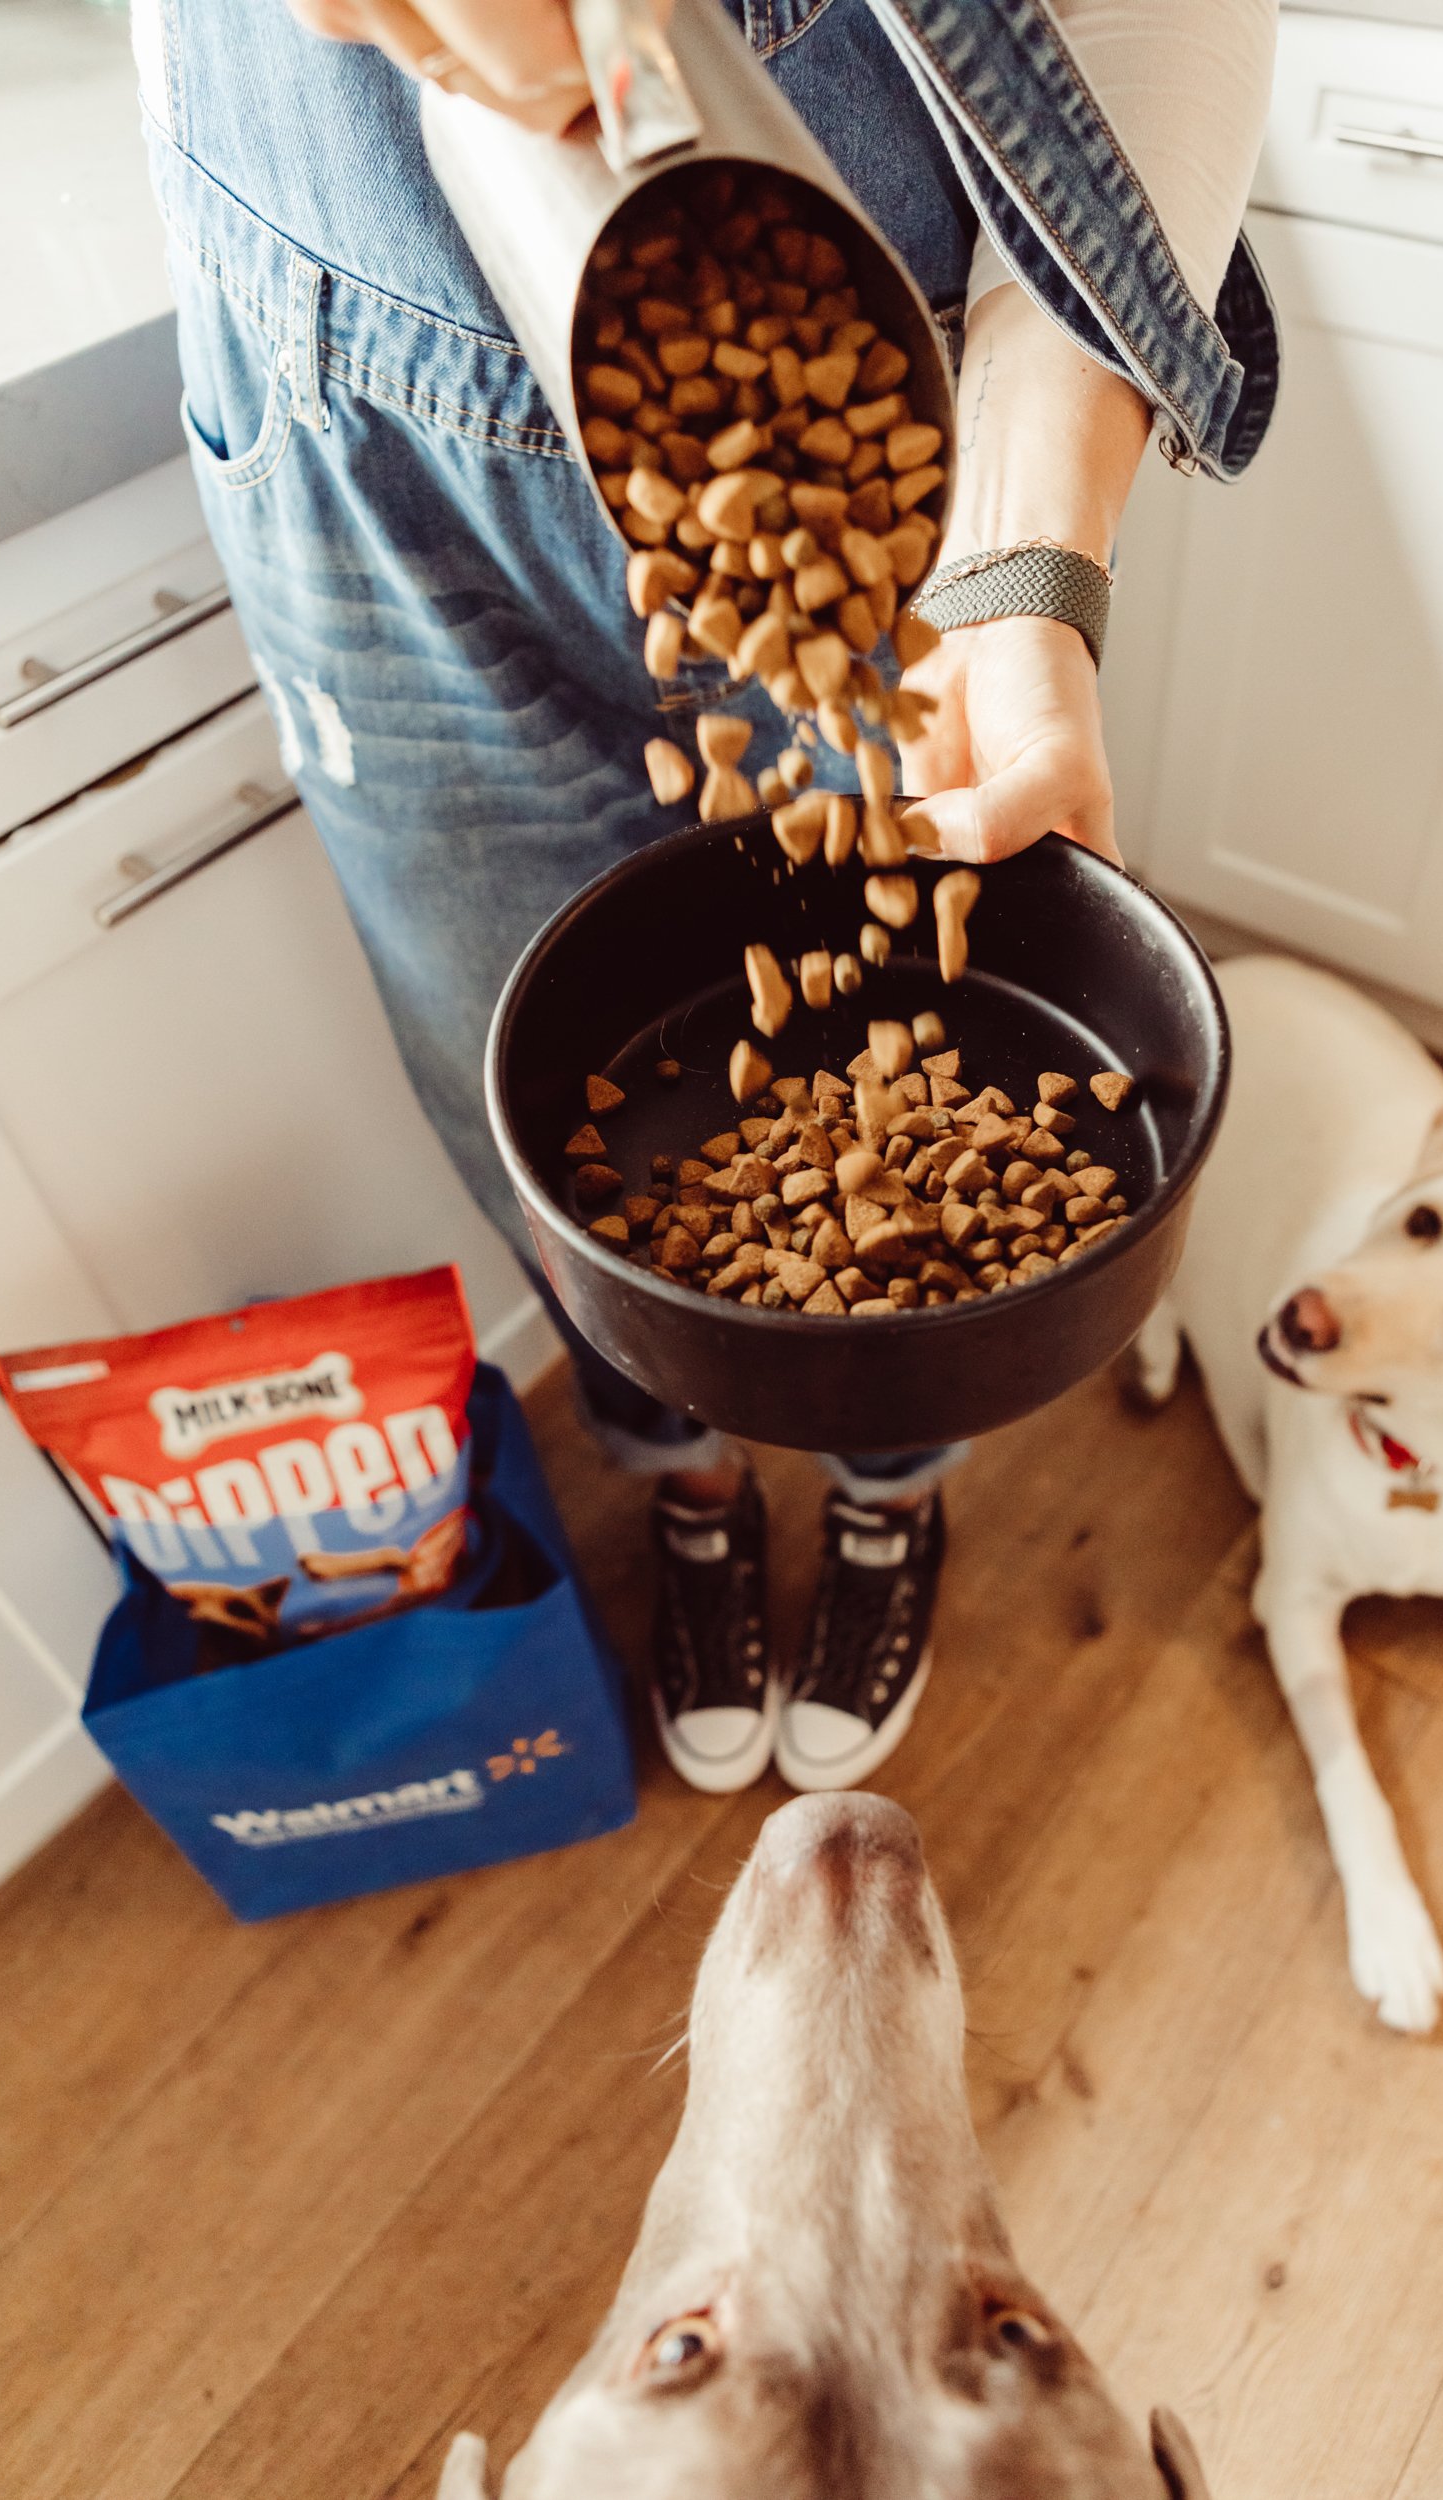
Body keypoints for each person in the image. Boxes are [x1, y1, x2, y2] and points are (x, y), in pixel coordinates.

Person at [129, 0, 1277, 1794]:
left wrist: (1027, 551)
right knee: (510, 1083)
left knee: (918, 1031)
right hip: (360, 403)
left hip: (871, 396)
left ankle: (887, 1497)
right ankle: (691, 1494)